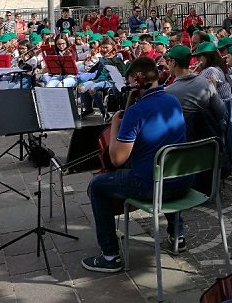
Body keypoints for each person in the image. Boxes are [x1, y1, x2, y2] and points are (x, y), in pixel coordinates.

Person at [82, 57, 192, 272]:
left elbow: (117, 159)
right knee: (164, 168)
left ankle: (110, 255)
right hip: (183, 181)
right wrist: (130, 102)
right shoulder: (172, 101)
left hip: (153, 186)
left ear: (136, 79)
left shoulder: (136, 112)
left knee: (97, 186)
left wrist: (114, 124)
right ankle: (177, 234)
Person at [165, 45, 226, 141]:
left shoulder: (167, 92)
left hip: (182, 146)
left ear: (173, 62)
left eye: (168, 61)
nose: (167, 64)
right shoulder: (207, 84)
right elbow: (222, 112)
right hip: (208, 144)